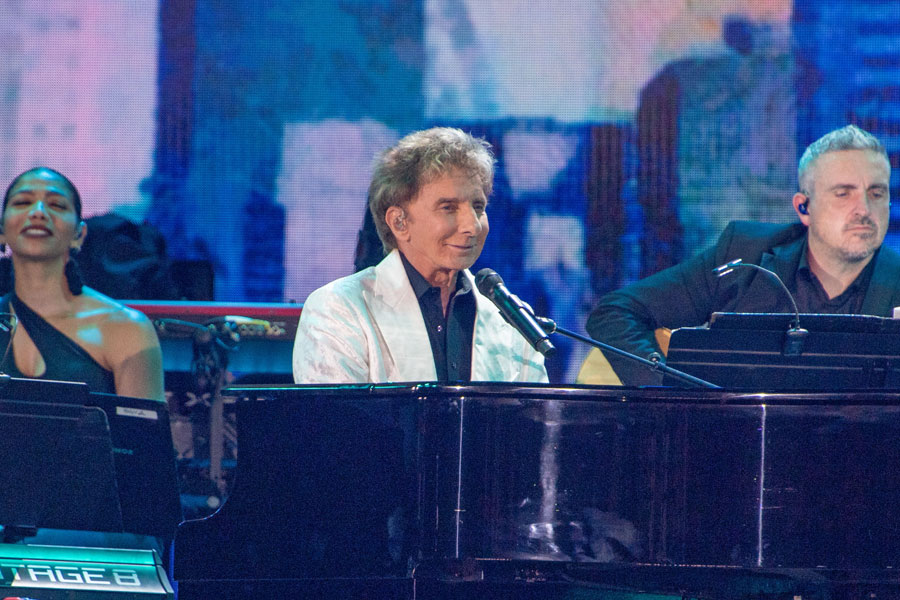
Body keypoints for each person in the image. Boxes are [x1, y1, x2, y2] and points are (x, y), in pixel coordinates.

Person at [586, 124, 900, 386]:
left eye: (877, 193)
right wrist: (671, 391)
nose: (864, 209)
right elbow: (614, 313)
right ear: (804, 207)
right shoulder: (744, 254)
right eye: (843, 193)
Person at [293, 127, 548, 384]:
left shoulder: (510, 320)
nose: (472, 226)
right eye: (448, 208)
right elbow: (337, 422)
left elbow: (536, 420)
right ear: (399, 222)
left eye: (478, 207)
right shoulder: (338, 310)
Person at [0, 167, 164, 400]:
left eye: (56, 205)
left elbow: (142, 435)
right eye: (23, 202)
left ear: (79, 234)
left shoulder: (127, 329)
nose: (37, 212)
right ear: (1, 231)